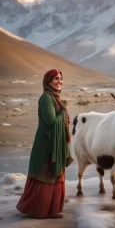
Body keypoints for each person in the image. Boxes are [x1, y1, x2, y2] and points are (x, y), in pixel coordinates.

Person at [16, 69, 73, 218]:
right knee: (46, 175)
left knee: (54, 176)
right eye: (55, 79)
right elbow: (51, 122)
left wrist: (63, 111)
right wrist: (63, 113)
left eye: (61, 78)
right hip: (47, 146)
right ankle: (39, 210)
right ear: (48, 81)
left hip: (55, 145)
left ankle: (51, 210)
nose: (59, 81)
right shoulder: (46, 98)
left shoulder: (55, 98)